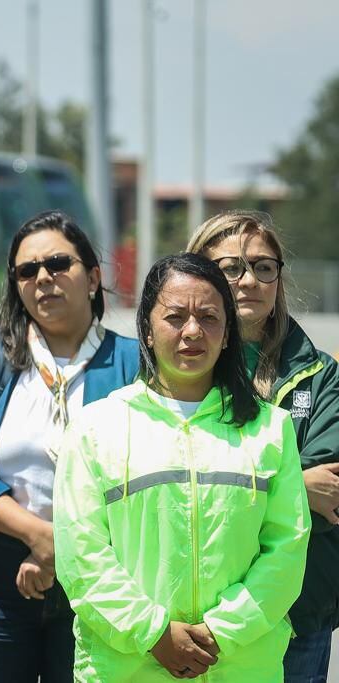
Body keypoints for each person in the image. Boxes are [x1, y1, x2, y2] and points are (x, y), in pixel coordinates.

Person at [53, 252, 311, 681]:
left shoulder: (270, 429)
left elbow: (287, 550)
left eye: (209, 318)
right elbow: (82, 556)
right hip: (129, 667)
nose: (193, 331)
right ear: (148, 331)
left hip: (240, 666)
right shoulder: (96, 428)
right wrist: (153, 634)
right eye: (175, 317)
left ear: (228, 334)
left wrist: (221, 633)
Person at [0, 210, 139, 682]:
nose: (43, 279)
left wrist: (65, 548)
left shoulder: (134, 362)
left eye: (57, 264)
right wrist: (39, 536)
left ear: (92, 277)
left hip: (103, 579)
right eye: (27, 271)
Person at [187, 210, 339, 682]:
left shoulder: (322, 374)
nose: (249, 280)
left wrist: (226, 476)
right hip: (194, 610)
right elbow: (169, 468)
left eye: (263, 266)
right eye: (230, 268)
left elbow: (329, 488)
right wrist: (294, 482)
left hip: (295, 612)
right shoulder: (175, 374)